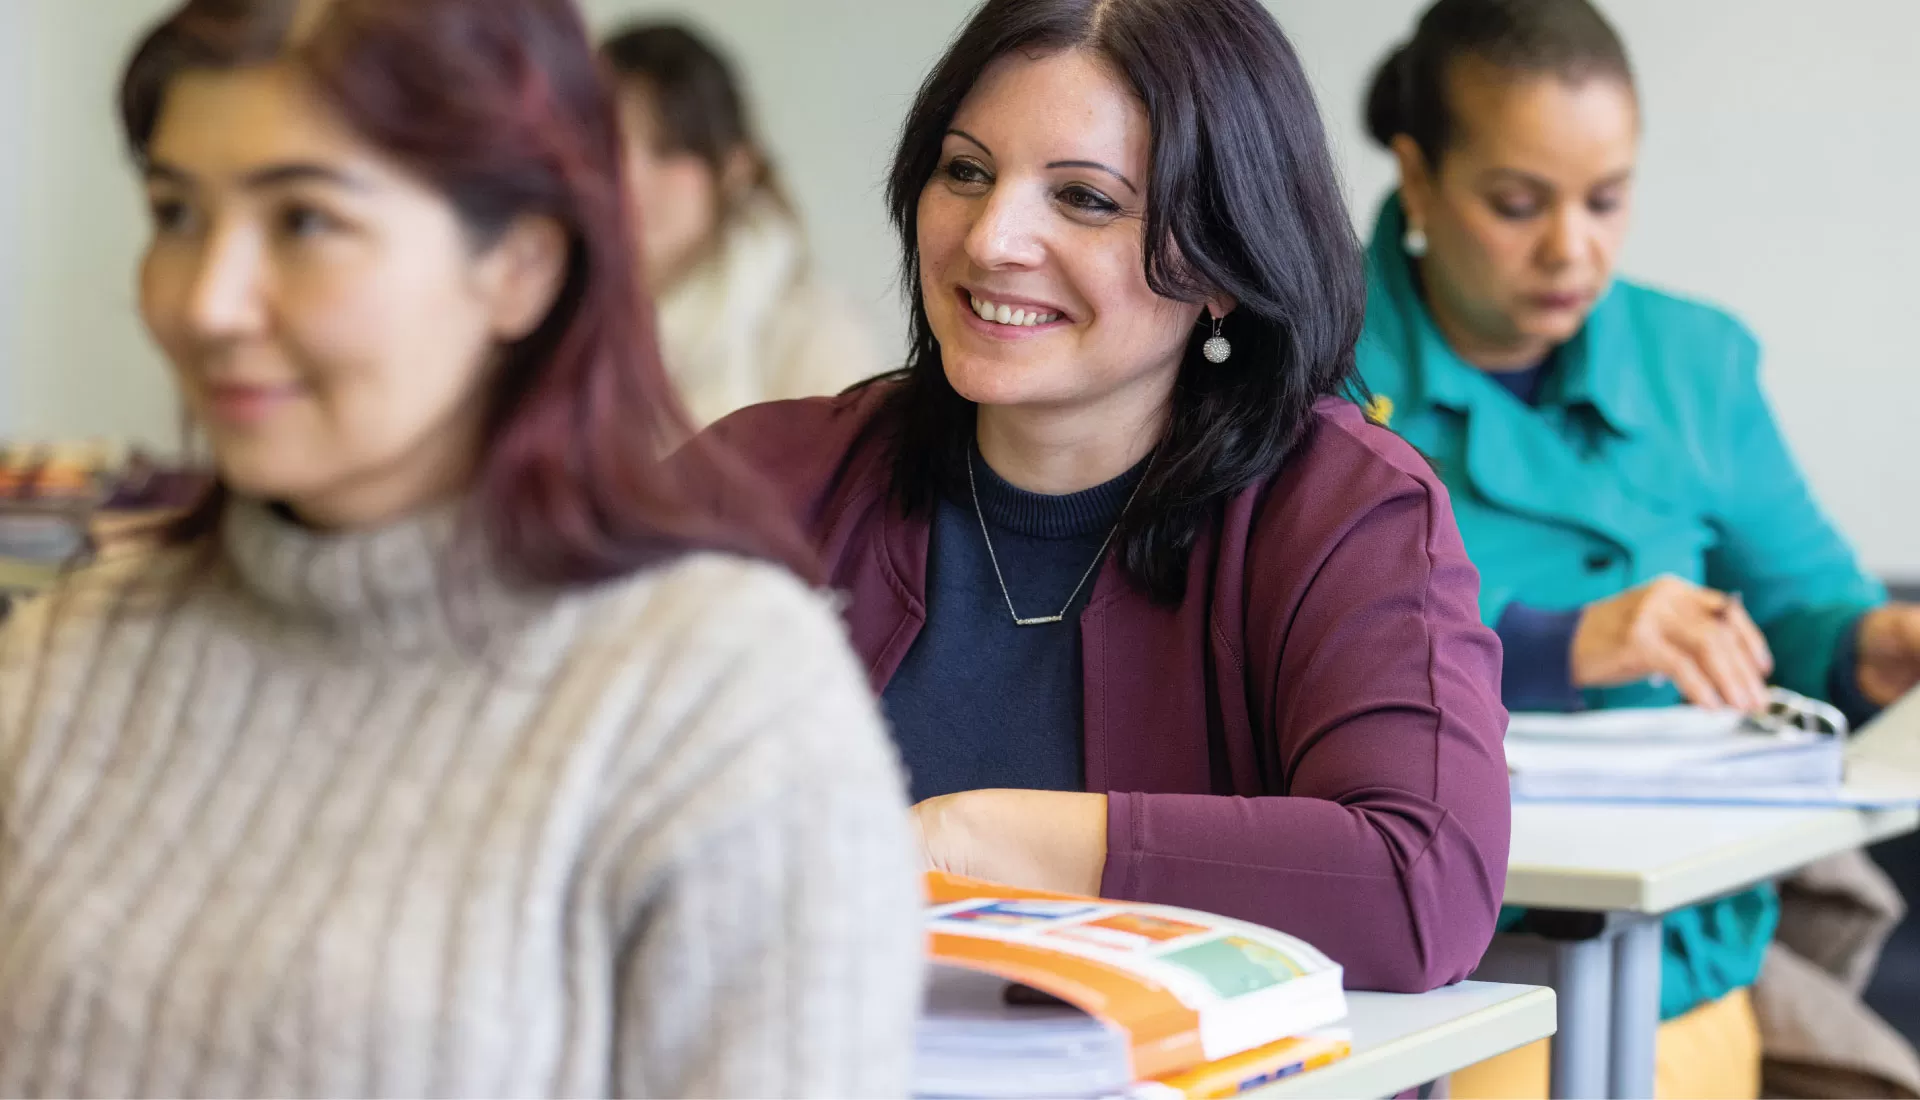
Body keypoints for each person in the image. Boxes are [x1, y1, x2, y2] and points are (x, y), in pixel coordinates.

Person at [0, 0, 921, 1096]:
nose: (208, 302)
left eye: (302, 221)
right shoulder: (65, 662)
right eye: (174, 211)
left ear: (523, 263)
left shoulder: (718, 701)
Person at [704, 0, 1511, 994]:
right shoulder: (764, 478)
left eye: (1084, 198)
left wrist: (976, 836)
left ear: (1220, 262)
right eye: (966, 171)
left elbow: (1420, 884)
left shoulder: (1343, 510)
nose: (994, 238)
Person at [1354, 0, 1920, 1094]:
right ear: (1419, 178)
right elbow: (1267, 647)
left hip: (1669, 957)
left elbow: (1804, 620)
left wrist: (1867, 649)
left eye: (1606, 200)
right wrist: (1561, 639)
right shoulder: (1302, 354)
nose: (1574, 248)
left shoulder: (1695, 362)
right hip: (1402, 957)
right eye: (1518, 204)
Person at [602, 22, 883, 429]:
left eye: (667, 149)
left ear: (735, 168)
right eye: (606, 147)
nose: (628, 178)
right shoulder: (542, 321)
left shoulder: (813, 337)